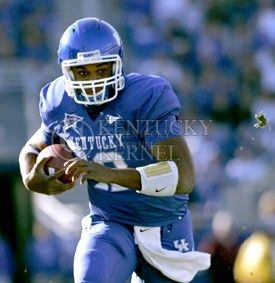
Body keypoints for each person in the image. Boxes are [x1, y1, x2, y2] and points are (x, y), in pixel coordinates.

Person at [19, 17, 210, 283]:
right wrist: (32, 178)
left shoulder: (147, 96)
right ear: (66, 72)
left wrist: (107, 174)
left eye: (102, 69)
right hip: (109, 224)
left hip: (164, 225)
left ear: (118, 65)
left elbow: (183, 176)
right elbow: (31, 148)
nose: (93, 81)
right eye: (82, 72)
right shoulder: (56, 101)